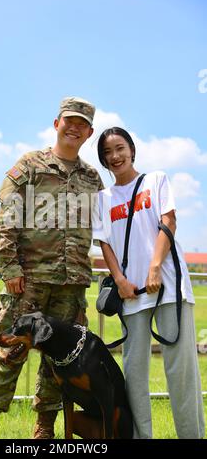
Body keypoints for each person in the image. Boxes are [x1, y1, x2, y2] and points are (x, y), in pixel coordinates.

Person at [0, 97, 104, 439]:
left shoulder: (93, 179)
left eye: (82, 124)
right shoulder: (30, 166)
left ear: (89, 132)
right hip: (28, 283)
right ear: (56, 124)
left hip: (71, 286)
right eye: (69, 121)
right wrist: (10, 268)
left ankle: (44, 430)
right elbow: (6, 222)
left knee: (59, 362)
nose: (74, 127)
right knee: (9, 354)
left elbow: (105, 229)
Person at [93, 126, 205, 439]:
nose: (115, 156)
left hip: (167, 287)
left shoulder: (156, 180)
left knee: (181, 372)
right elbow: (105, 244)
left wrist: (155, 268)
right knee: (134, 373)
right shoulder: (103, 198)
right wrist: (119, 281)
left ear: (131, 149)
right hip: (130, 293)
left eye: (119, 148)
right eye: (107, 152)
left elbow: (168, 221)